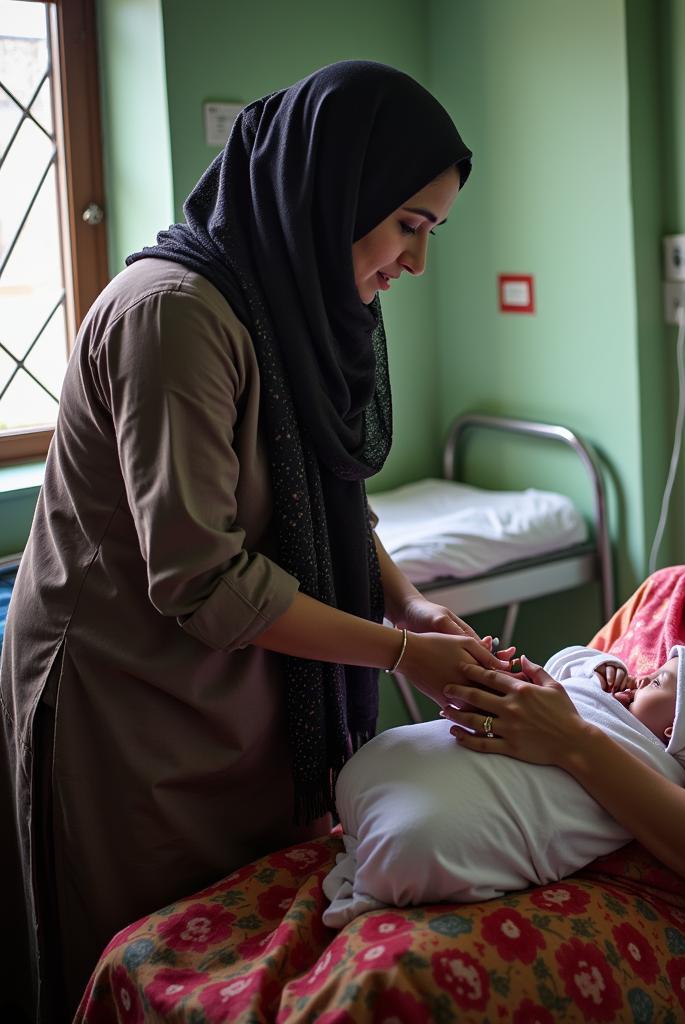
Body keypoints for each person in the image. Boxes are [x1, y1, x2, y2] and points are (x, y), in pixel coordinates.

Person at [70, 412, 685, 1023]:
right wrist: (505, 691)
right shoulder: (669, 592)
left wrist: (576, 744)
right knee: (155, 951)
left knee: (382, 987)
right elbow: (572, 708)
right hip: (541, 856)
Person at [0, 60, 504, 1021]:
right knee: (137, 952)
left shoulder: (302, 307)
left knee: (235, 944)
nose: (416, 262)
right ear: (333, 194)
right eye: (409, 225)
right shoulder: (175, 318)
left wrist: (405, 599)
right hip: (130, 693)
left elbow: (326, 488)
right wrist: (405, 654)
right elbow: (203, 580)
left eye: (431, 230)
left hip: (234, 675)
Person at [320, 643, 685, 927]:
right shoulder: (612, 688)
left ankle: (375, 874)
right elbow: (561, 666)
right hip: (390, 787)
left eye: (659, 680)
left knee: (429, 830)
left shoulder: (644, 770)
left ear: (675, 731)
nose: (643, 674)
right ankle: (374, 863)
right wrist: (599, 664)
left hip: (406, 828)